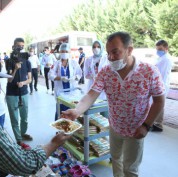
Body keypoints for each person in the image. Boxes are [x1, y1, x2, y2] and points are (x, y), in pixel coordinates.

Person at [62, 32, 165, 177]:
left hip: (136, 129)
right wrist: (77, 111)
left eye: (115, 52)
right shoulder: (106, 72)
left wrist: (146, 125)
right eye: (108, 53)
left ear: (129, 50)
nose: (110, 57)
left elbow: (159, 100)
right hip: (115, 127)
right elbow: (92, 94)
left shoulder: (149, 71)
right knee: (116, 160)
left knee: (130, 168)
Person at [6, 37, 33, 150]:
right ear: (13, 46)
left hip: (24, 92)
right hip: (12, 94)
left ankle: (22, 133)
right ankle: (18, 140)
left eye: (22, 46)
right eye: (18, 46)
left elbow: (30, 79)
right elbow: (9, 80)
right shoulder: (9, 61)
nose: (20, 48)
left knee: (24, 118)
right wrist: (15, 69)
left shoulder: (27, 61)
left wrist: (24, 83)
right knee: (15, 118)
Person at [48, 43, 82, 120]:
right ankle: (59, 129)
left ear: (69, 52)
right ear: (60, 52)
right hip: (60, 92)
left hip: (72, 92)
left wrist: (75, 77)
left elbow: (79, 73)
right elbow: (50, 75)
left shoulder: (74, 63)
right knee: (60, 111)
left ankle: (70, 129)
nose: (64, 53)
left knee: (71, 111)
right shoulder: (56, 63)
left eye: (66, 51)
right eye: (62, 51)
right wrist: (60, 78)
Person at [151, 40, 173, 132]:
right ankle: (154, 123)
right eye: (157, 49)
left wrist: (157, 86)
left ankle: (158, 125)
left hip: (161, 85)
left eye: (160, 49)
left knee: (159, 104)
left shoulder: (166, 59)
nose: (158, 51)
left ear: (166, 49)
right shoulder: (161, 58)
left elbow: (162, 74)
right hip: (158, 84)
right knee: (155, 103)